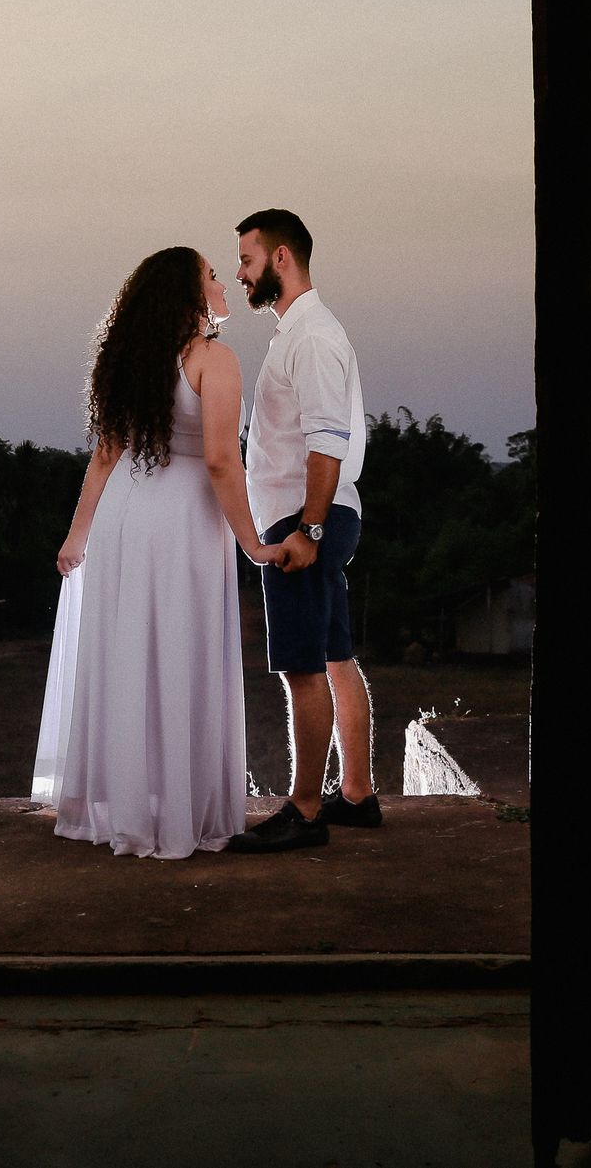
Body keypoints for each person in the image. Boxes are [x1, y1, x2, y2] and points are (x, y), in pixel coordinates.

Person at [32, 246, 287, 859]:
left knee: (130, 652)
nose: (223, 282)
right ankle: (179, 813)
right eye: (211, 275)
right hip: (183, 519)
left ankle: (128, 808)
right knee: (181, 648)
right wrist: (253, 542)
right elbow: (224, 461)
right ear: (190, 296)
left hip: (126, 511)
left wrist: (77, 536)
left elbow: (105, 456)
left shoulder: (137, 362)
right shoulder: (215, 360)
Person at [225, 209, 378, 854]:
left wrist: (308, 531)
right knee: (336, 658)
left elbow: (325, 442)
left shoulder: (310, 337)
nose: (240, 273)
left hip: (303, 522)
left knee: (303, 670)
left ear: (281, 257)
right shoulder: (302, 332)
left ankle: (306, 810)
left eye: (248, 260)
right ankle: (357, 796)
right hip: (312, 517)